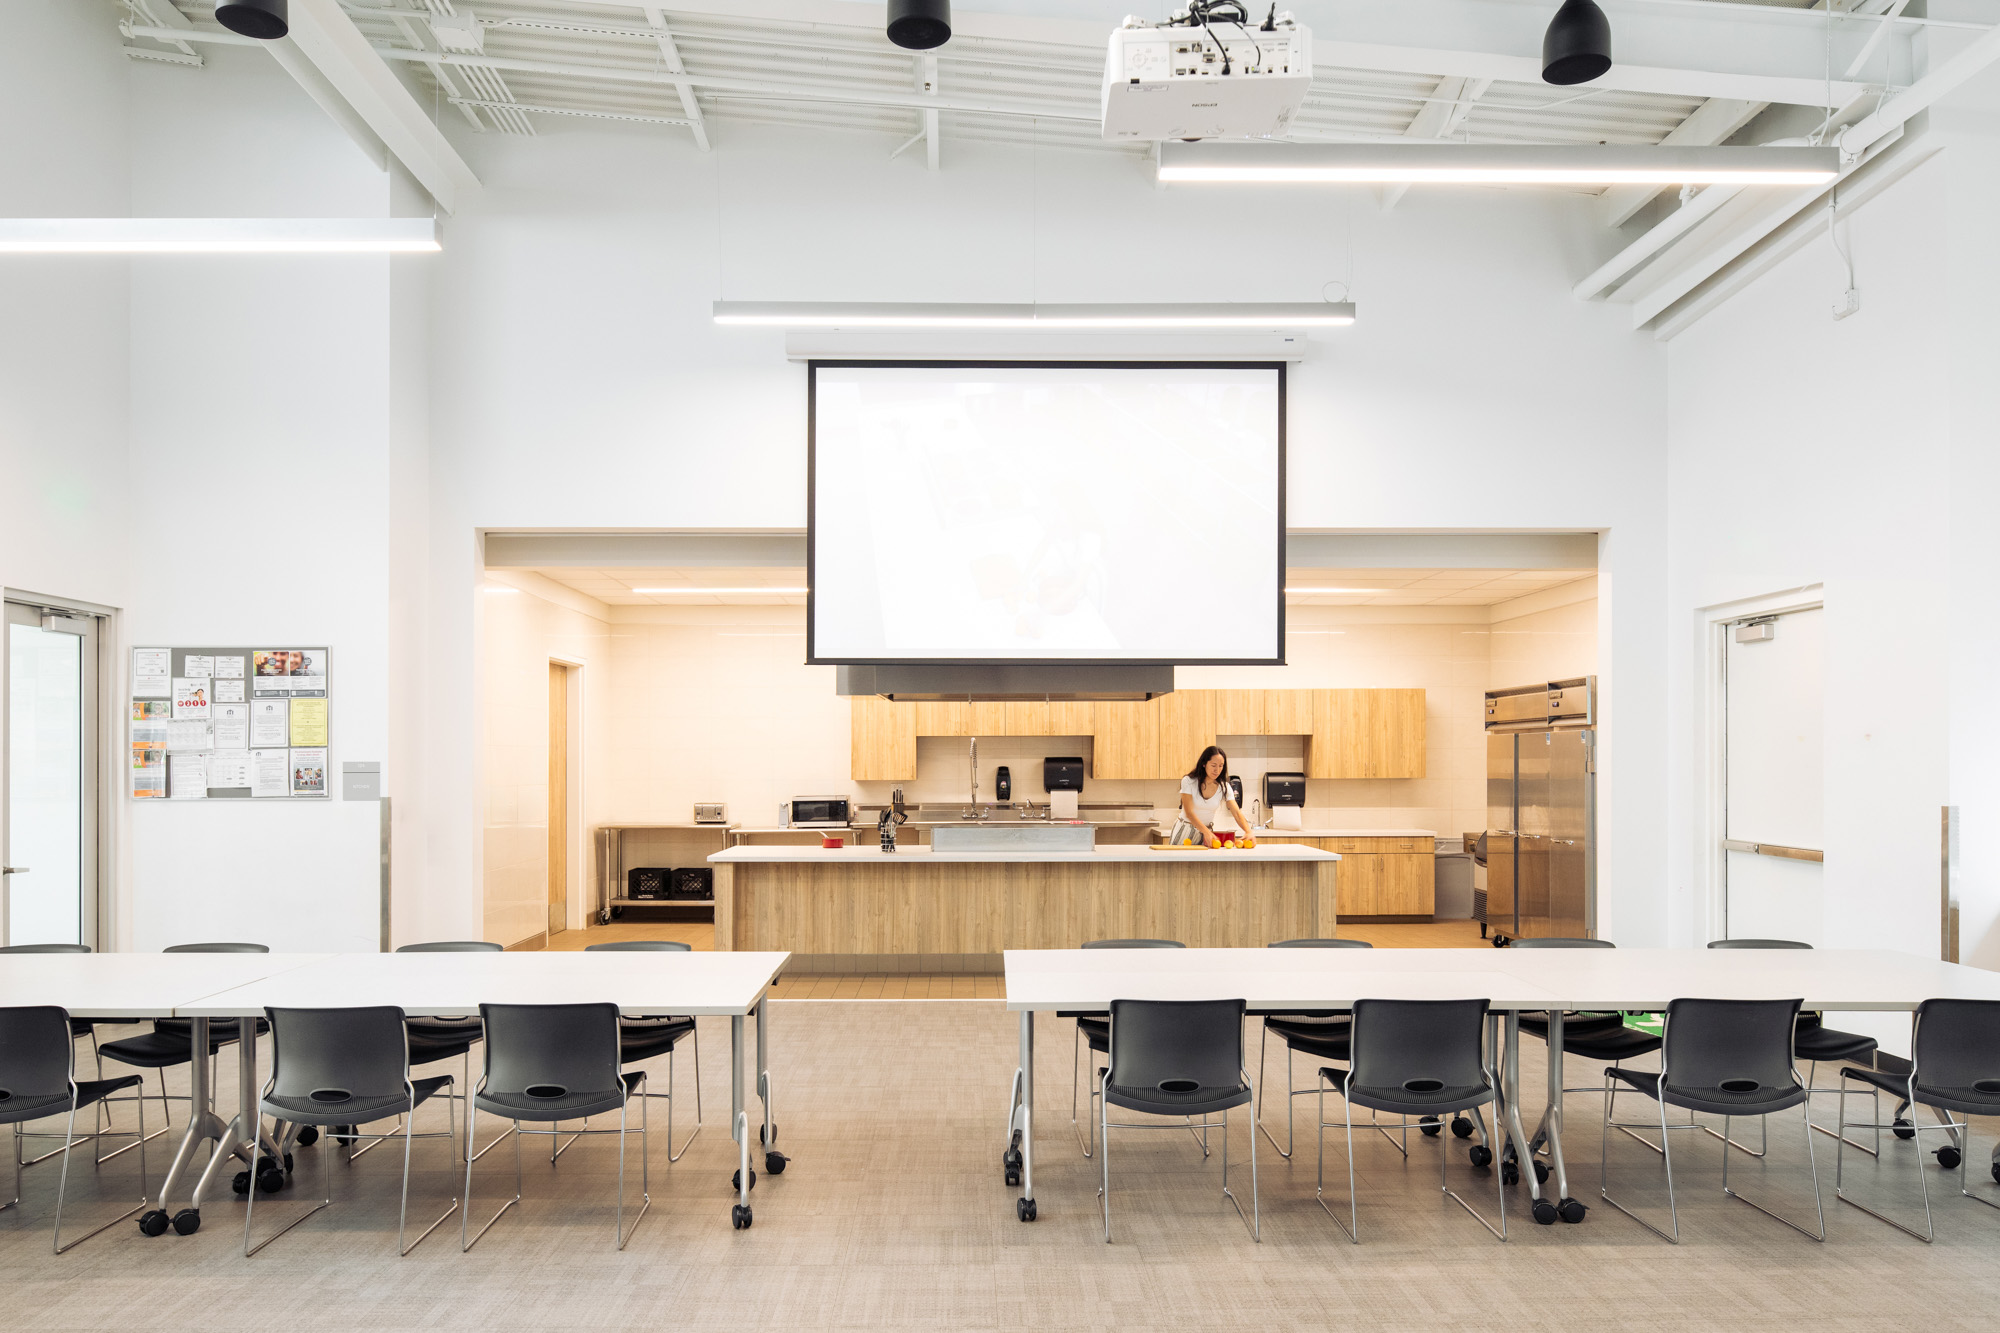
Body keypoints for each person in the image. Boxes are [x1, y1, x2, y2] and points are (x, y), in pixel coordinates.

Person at [1170, 745, 1255, 848]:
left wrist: (1248, 831)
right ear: (1204, 764)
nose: (1217, 770)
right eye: (1213, 765)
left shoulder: (1224, 787)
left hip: (1206, 834)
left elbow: (1236, 813)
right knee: (1179, 863)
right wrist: (1206, 832)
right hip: (1185, 830)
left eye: (1221, 766)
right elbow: (1189, 813)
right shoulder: (1188, 781)